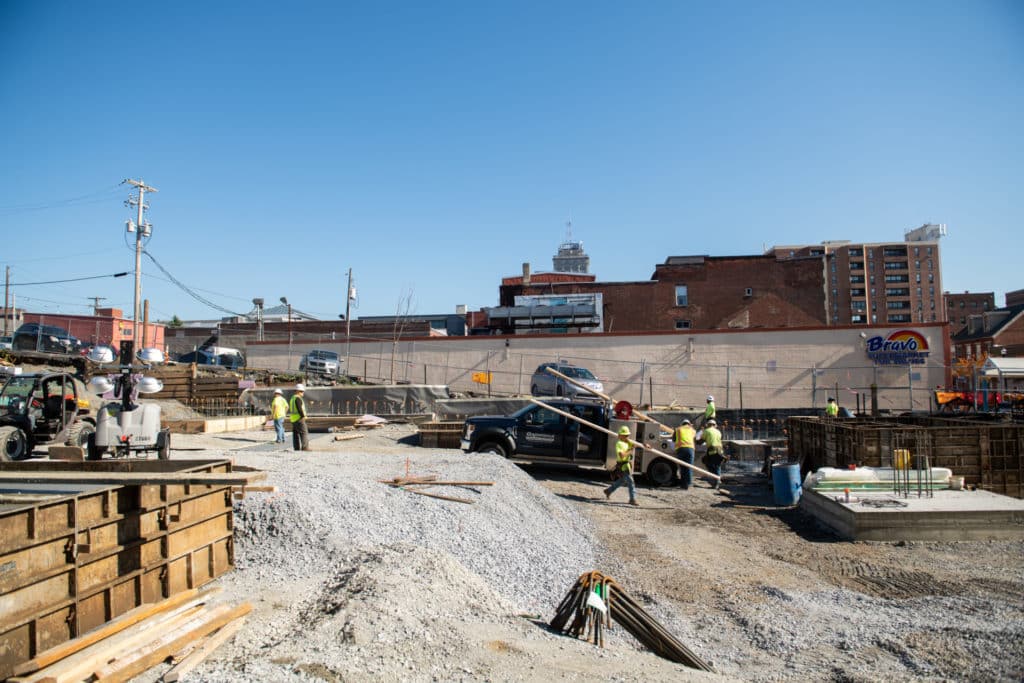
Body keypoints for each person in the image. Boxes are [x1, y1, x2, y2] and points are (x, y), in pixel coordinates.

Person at [603, 425, 639, 506]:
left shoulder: (627, 442)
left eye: (628, 435)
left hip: (626, 466)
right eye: (625, 435)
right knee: (631, 482)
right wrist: (631, 449)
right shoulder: (619, 444)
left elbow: (637, 444)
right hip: (623, 466)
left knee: (622, 481)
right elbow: (622, 455)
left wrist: (644, 445)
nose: (627, 436)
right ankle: (632, 499)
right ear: (620, 435)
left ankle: (608, 490)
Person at [701, 419, 726, 490]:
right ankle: (717, 480)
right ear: (715, 425)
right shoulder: (718, 431)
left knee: (710, 465)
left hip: (713, 451)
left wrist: (695, 440)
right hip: (720, 451)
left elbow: (701, 441)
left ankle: (717, 481)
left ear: (708, 425)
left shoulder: (707, 431)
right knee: (717, 466)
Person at [673, 418, 697, 489]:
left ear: (682, 424)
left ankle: (683, 484)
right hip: (690, 449)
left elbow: (673, 439)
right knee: (689, 466)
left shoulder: (678, 429)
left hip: (680, 449)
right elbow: (694, 439)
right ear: (689, 424)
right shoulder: (692, 430)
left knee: (682, 467)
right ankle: (688, 483)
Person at [289, 383, 310, 451]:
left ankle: (296, 448)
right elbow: (299, 408)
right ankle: (305, 447)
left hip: (293, 419)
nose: (303, 393)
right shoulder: (297, 398)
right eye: (301, 391)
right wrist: (303, 416)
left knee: (295, 434)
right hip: (299, 418)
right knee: (304, 433)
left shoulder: (292, 398)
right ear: (297, 391)